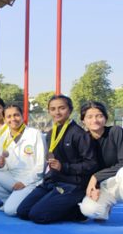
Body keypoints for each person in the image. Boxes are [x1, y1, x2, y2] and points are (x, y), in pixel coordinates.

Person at [17, 95, 98, 224]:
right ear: (49, 111)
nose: (57, 112)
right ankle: (59, 203)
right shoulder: (51, 133)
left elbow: (91, 164)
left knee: (38, 216)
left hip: (72, 184)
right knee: (22, 211)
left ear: (70, 110)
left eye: (62, 108)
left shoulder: (78, 134)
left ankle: (77, 210)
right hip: (53, 181)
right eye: (53, 109)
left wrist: (64, 167)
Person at [0, 105, 44, 215]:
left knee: (11, 211)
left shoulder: (35, 134)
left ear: (22, 116)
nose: (13, 119)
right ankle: (7, 199)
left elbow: (41, 165)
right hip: (12, 178)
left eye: (16, 115)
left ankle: (17, 201)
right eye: (9, 116)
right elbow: (1, 167)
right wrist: (1, 165)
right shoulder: (4, 137)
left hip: (31, 181)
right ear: (5, 119)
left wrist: (25, 182)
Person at [78, 101, 123, 220]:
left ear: (105, 118)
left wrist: (96, 177)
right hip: (101, 187)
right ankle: (105, 207)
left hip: (118, 182)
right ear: (83, 121)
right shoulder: (82, 140)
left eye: (99, 116)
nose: (95, 120)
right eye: (90, 117)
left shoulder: (116, 132)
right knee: (89, 210)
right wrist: (94, 185)